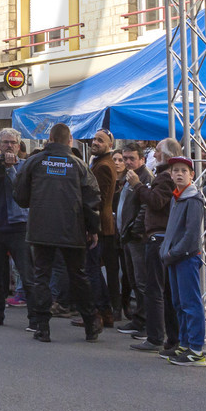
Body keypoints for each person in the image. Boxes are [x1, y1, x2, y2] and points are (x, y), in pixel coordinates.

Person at [13, 123, 102, 343]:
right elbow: (92, 199)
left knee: (41, 276)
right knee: (78, 275)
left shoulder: (34, 162)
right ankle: (91, 324)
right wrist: (93, 229)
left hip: (40, 228)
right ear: (69, 141)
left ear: (50, 139)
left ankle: (42, 327)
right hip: (72, 229)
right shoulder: (79, 165)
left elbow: (20, 196)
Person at [0, 128, 36, 330]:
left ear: (19, 145)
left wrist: (10, 169)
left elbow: (22, 192)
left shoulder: (24, 166)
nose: (9, 146)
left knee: (27, 274)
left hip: (18, 227)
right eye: (4, 142)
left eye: (12, 142)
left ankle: (36, 319)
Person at [129, 138, 182, 353]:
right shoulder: (163, 176)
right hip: (160, 236)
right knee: (163, 290)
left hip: (159, 237)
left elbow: (156, 202)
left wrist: (138, 186)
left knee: (156, 289)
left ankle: (156, 336)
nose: (154, 154)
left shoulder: (164, 177)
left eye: (157, 151)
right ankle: (167, 338)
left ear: (165, 155)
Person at [159, 157, 206, 365]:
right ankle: (185, 344)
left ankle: (196, 350)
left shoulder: (193, 199)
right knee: (179, 304)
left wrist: (171, 253)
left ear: (192, 175)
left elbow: (191, 235)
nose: (179, 174)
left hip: (186, 258)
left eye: (183, 171)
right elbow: (172, 229)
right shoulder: (176, 197)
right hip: (175, 258)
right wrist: (166, 250)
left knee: (190, 304)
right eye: (175, 170)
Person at [114, 142, 150, 336]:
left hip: (137, 239)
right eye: (125, 158)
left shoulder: (144, 177)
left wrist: (135, 229)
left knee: (142, 281)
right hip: (127, 237)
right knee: (134, 281)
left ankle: (146, 323)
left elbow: (146, 206)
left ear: (142, 159)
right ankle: (138, 319)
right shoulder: (129, 177)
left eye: (131, 159)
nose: (127, 162)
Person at [88, 130, 121, 326]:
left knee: (93, 269)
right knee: (96, 269)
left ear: (110, 145)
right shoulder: (100, 163)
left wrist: (91, 226)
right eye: (94, 139)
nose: (95, 142)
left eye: (100, 140)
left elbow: (97, 200)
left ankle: (103, 311)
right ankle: (105, 310)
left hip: (100, 226)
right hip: (102, 224)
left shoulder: (103, 166)